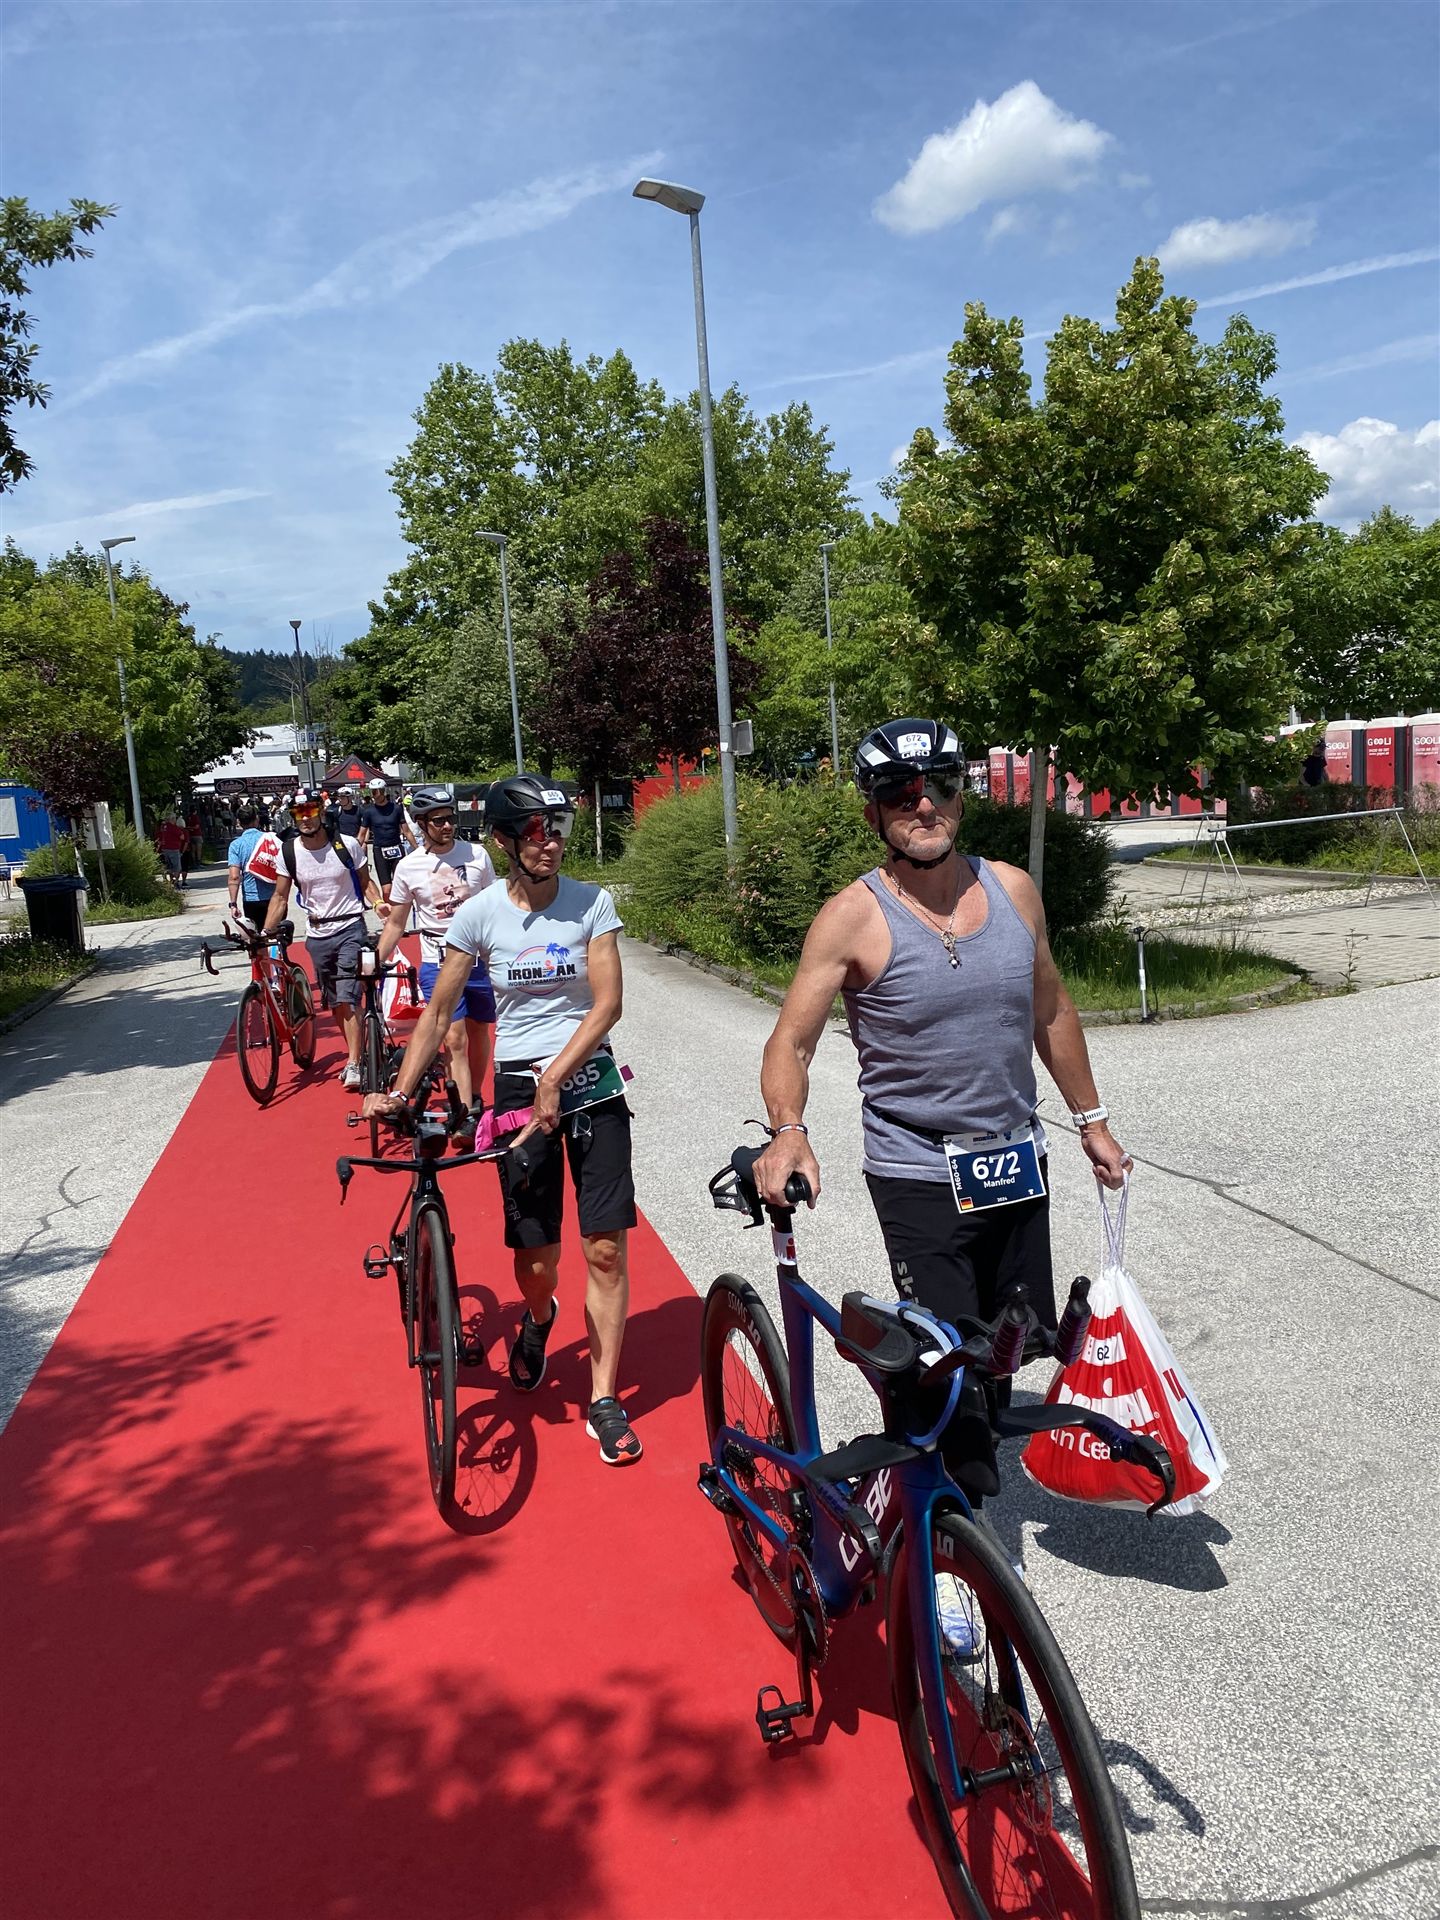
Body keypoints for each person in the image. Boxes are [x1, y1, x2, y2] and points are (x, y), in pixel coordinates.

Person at [754, 718, 1132, 1633]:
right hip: (918, 1170)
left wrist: (1091, 1120)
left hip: (1014, 1161)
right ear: (874, 812)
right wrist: (789, 1133)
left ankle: (957, 1504)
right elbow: (791, 1040)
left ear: (962, 794)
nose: (921, 805)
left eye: (938, 786)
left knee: (1008, 1349)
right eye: (898, 793)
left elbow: (1051, 1008)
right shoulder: (853, 916)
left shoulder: (1012, 890)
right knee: (943, 1364)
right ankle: (949, 1555)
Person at [365, 776, 641, 1466]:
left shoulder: (592, 904)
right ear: (503, 841)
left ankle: (604, 1398)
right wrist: (399, 1092)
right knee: (537, 1260)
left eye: (557, 830)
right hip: (519, 1086)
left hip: (589, 1080)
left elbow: (607, 1005)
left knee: (605, 1250)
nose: (550, 844)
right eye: (535, 832)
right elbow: (438, 1012)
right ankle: (540, 1319)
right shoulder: (479, 915)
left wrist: (557, 1077)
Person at [374, 784, 495, 1146]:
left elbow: (495, 907)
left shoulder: (477, 855)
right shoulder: (409, 866)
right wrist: (375, 961)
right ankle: (465, 1112)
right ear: (422, 824)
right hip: (436, 959)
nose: (447, 826)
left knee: (478, 1030)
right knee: (453, 1037)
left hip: (478, 959)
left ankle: (475, 1096)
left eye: (450, 818)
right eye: (438, 820)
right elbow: (396, 923)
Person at [261, 786, 383, 1089]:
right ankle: (359, 1052)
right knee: (336, 1004)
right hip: (317, 935)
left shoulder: (347, 845)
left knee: (347, 996)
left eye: (311, 811)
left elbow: (365, 882)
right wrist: (264, 933)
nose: (305, 818)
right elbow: (280, 897)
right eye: (299, 813)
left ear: (321, 811)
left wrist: (379, 904)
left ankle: (354, 1063)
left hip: (350, 927)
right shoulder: (288, 852)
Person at [359, 775, 417, 906]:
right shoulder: (369, 812)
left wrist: (418, 849)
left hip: (396, 848)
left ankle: (401, 911)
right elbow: (362, 834)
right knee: (387, 889)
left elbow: (407, 831)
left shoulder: (396, 808)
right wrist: (354, 850)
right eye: (373, 791)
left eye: (377, 791)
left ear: (383, 791)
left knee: (401, 884)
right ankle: (390, 913)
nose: (375, 794)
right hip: (380, 850)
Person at [226, 803, 281, 933]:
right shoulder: (272, 839)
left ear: (238, 822)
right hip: (275, 896)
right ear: (257, 819)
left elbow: (234, 877)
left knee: (255, 937)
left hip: (252, 899)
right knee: (276, 935)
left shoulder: (236, 845)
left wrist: (233, 904)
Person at [156, 812, 187, 887]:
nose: (175, 820)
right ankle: (176, 882)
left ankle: (170, 880)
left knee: (168, 866)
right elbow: (182, 837)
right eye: (175, 818)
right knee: (177, 867)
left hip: (164, 849)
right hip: (174, 849)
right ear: (172, 819)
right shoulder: (174, 827)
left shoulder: (163, 827)